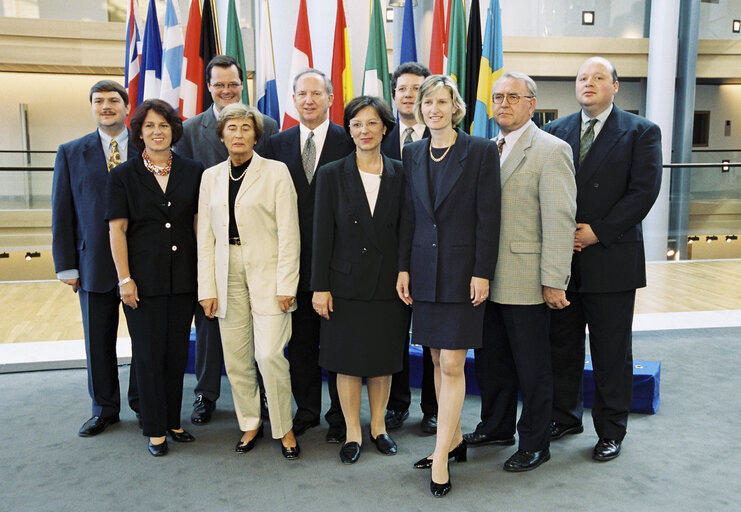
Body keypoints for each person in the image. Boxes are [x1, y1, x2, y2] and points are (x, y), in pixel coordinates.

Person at [542, 57, 661, 462]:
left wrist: (597, 231)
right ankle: (565, 415)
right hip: (562, 262)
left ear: (615, 87)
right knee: (562, 346)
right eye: (581, 78)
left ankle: (611, 429)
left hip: (611, 257)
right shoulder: (554, 131)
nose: (588, 83)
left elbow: (643, 192)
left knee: (611, 351)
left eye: (598, 77)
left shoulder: (641, 131)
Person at [465, 72, 576, 472]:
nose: (503, 104)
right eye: (497, 97)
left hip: (528, 279)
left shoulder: (551, 149)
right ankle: (495, 426)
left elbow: (560, 221)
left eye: (513, 97)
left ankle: (535, 441)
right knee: (492, 361)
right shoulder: (484, 149)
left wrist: (553, 280)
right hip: (484, 278)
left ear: (532, 103)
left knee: (533, 367)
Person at [397, 75, 500, 497]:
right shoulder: (412, 152)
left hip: (462, 273)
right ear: (419, 109)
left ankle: (440, 456)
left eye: (442, 102)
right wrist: (403, 268)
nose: (434, 109)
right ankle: (453, 439)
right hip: (424, 271)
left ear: (455, 107)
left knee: (453, 364)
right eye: (427, 103)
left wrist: (482, 271)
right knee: (438, 360)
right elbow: (409, 217)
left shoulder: (479, 151)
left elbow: (488, 216)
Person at [174, 55, 278, 425]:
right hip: (210, 243)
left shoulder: (266, 124)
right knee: (209, 321)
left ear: (241, 84)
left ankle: (264, 394)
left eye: (232, 83)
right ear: (209, 86)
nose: (226, 90)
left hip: (257, 246)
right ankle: (206, 394)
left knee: (258, 325)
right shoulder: (188, 130)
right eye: (219, 84)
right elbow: (184, 186)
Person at [197, 103, 301, 460]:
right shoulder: (210, 177)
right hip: (226, 272)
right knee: (237, 357)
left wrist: (288, 282)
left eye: (245, 128)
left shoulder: (276, 172)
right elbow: (205, 237)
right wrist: (206, 289)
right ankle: (250, 421)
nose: (238, 134)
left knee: (270, 353)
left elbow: (290, 231)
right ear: (221, 135)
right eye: (231, 128)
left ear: (256, 135)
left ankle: (284, 426)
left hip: (270, 274)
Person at [312, 96, 409, 464]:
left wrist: (405, 270)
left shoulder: (402, 172)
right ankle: (352, 430)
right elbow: (321, 234)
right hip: (344, 284)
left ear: (385, 127)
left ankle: (379, 427)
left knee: (383, 360)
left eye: (371, 123)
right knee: (347, 361)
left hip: (389, 284)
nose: (363, 131)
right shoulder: (331, 173)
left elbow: (406, 228)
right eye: (355, 124)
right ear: (348, 129)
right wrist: (320, 286)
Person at [106, 99, 203, 456]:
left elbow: (197, 224)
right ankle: (154, 428)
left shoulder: (193, 171)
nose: (157, 132)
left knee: (176, 354)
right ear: (139, 132)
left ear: (173, 130)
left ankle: (173, 420)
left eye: (163, 125)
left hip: (183, 279)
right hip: (142, 282)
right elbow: (117, 230)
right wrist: (124, 279)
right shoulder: (122, 176)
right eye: (149, 126)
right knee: (148, 354)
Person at [265, 68, 354, 443]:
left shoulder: (349, 141)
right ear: (294, 99)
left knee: (335, 345)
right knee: (299, 344)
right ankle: (306, 411)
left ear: (331, 99)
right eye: (302, 94)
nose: (309, 100)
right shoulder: (274, 145)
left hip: (337, 264)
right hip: (291, 264)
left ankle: (339, 418)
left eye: (317, 94)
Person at [51, 80, 139, 437]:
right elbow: (62, 212)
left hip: (141, 264)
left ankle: (144, 404)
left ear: (126, 107)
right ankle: (104, 409)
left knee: (144, 342)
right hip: (92, 266)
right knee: (98, 342)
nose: (106, 106)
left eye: (113, 100)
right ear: (91, 108)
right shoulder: (70, 152)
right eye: (99, 101)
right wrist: (66, 265)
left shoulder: (148, 148)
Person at [380, 62, 438, 435]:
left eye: (417, 89)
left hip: (432, 252)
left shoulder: (447, 136)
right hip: (387, 252)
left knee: (433, 334)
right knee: (394, 334)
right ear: (394, 94)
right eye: (402, 88)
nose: (409, 95)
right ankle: (397, 405)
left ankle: (434, 409)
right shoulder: (375, 135)